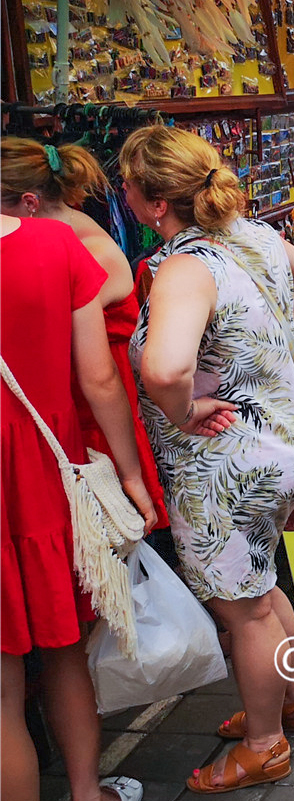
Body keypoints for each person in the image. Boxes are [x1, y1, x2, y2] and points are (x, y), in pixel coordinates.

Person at [122, 125, 294, 791]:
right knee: (261, 589)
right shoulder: (251, 234)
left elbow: (166, 365)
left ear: (157, 204)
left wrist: (181, 409)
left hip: (230, 463)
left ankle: (266, 743)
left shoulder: (183, 266)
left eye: (126, 184)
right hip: (283, 436)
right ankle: (288, 699)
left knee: (244, 608)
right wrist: (265, 349)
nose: (120, 194)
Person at [2, 207, 154, 801]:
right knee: (62, 647)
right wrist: (132, 476)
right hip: (37, 471)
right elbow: (98, 379)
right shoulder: (51, 243)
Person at [0, 139, 169, 530]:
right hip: (84, 404)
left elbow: (94, 373)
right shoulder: (69, 234)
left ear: (29, 204)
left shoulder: (87, 250)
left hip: (99, 414)